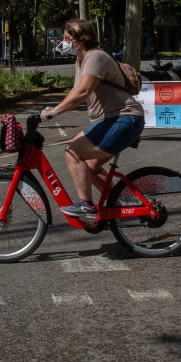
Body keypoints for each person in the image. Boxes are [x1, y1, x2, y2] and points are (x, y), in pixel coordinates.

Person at [38, 18, 145, 219]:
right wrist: (53, 108)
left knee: (72, 151)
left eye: (67, 37)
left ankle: (86, 205)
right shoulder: (81, 58)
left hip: (122, 119)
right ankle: (122, 203)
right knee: (90, 167)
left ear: (82, 39)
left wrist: (56, 111)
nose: (63, 41)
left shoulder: (95, 56)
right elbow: (75, 90)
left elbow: (84, 91)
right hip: (114, 120)